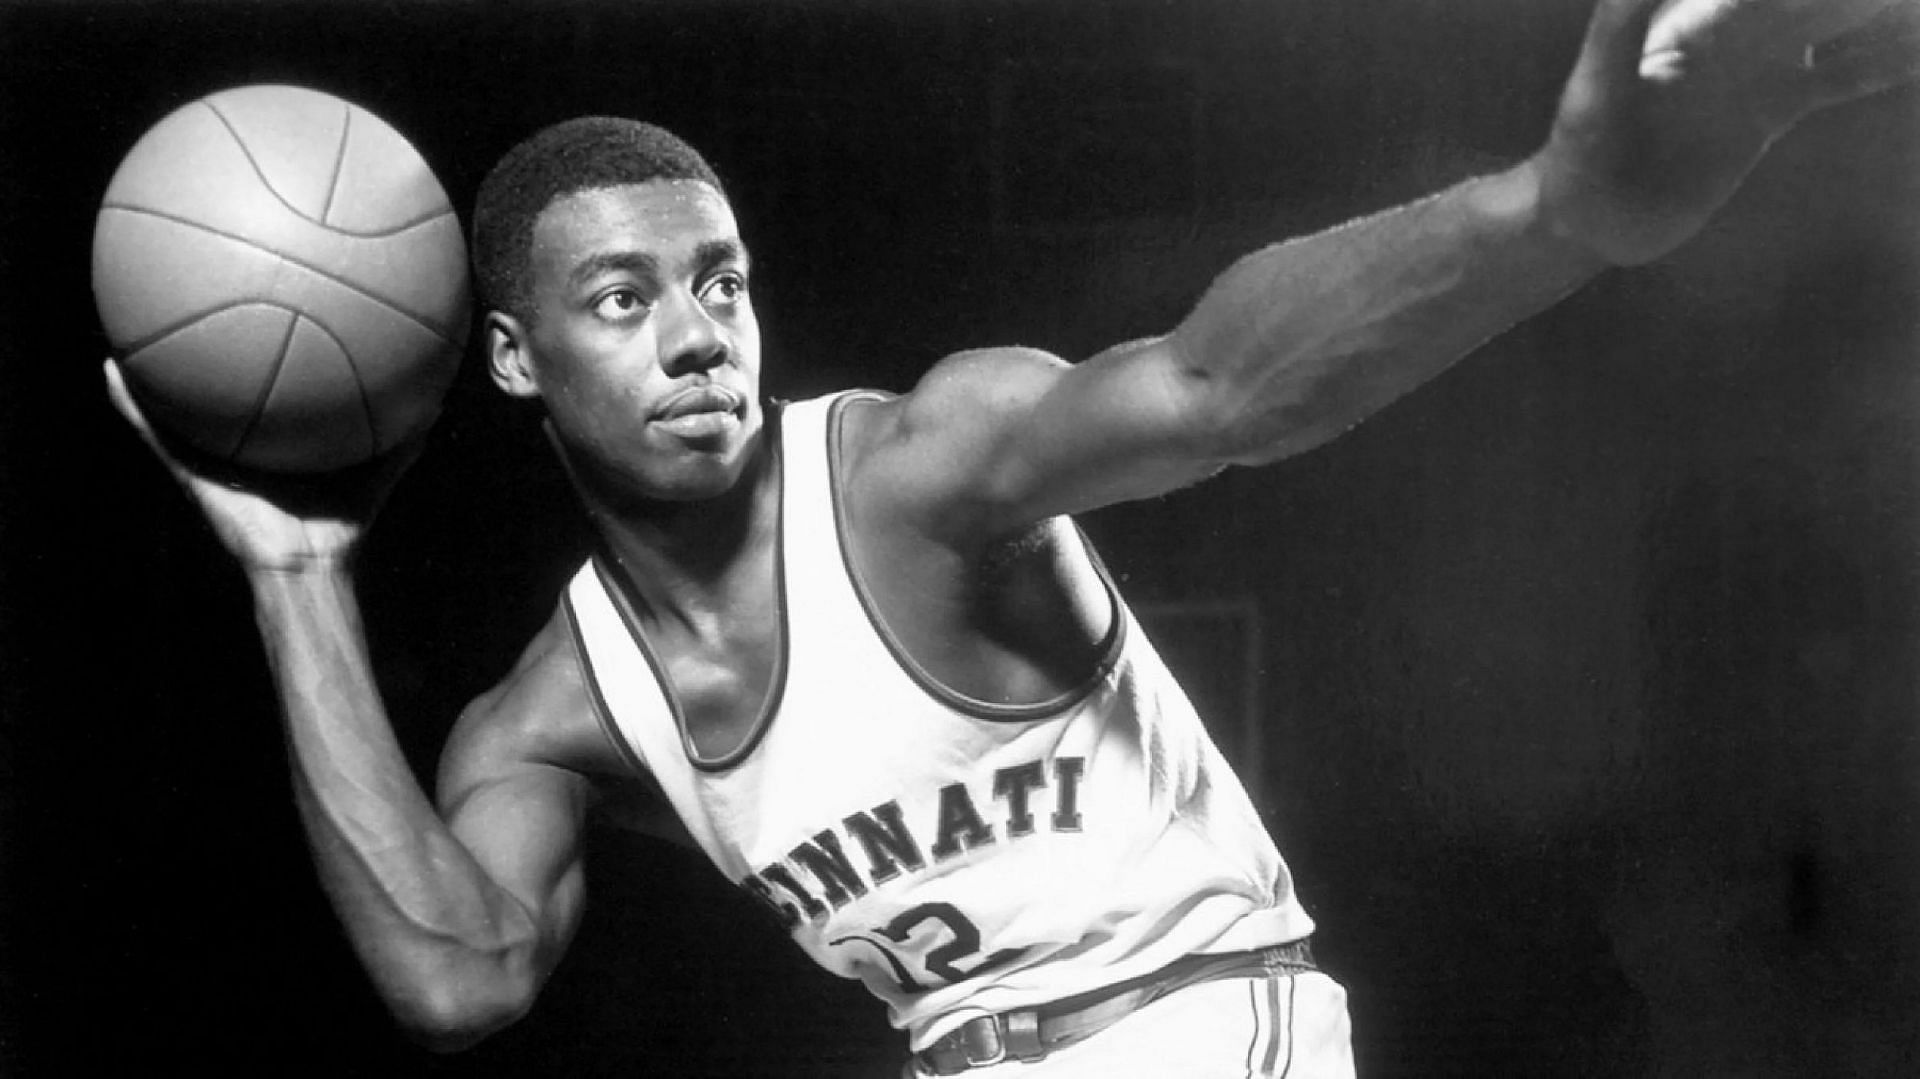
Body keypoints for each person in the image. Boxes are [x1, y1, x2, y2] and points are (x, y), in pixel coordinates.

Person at [104, 1, 1919, 1075]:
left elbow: (1215, 387)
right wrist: (296, 574)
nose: (697, 331)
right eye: (622, 296)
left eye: (721, 280)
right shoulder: (557, 713)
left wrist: (1557, 214)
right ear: (513, 354)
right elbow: (459, 976)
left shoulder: (915, 468)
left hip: (1208, 1037)